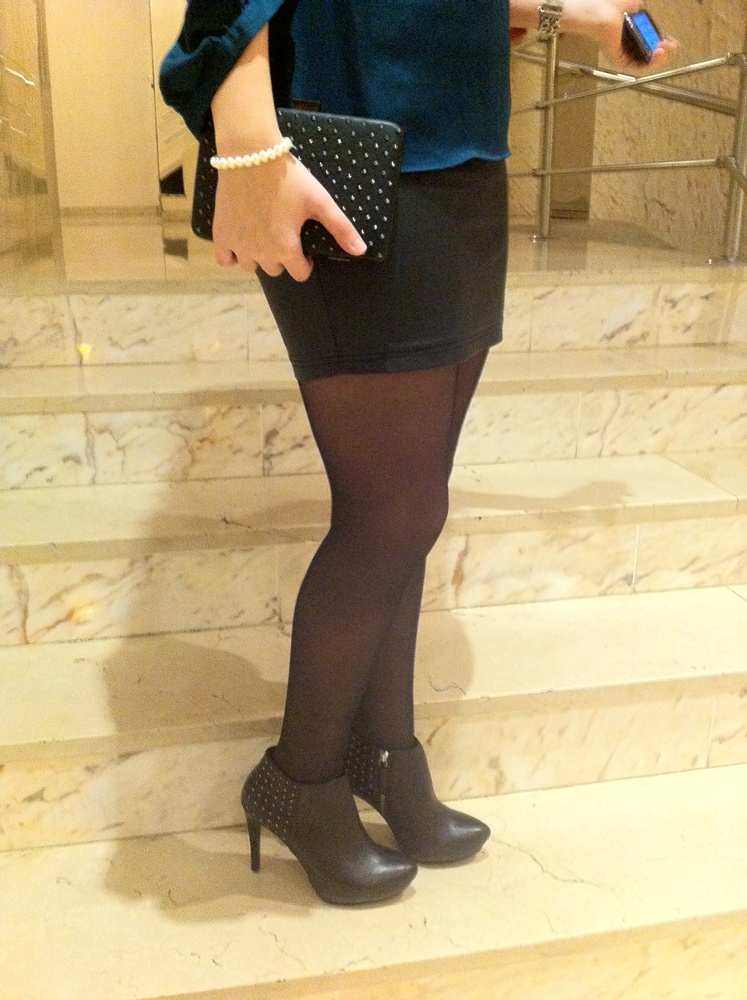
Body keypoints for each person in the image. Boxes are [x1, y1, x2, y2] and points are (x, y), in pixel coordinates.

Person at [161, 0, 674, 906]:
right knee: (391, 515)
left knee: (413, 507)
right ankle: (299, 778)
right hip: (344, 149)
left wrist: (572, 13)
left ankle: (384, 755)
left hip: (462, 150)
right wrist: (244, 142)